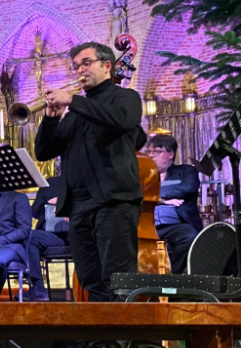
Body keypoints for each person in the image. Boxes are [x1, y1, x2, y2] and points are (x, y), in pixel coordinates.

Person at [35, 41, 146, 303]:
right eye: (75, 67)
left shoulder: (125, 97)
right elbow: (43, 152)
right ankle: (101, 344)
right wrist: (50, 119)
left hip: (114, 201)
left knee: (118, 280)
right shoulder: (73, 112)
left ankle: (121, 342)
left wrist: (72, 101)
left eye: (86, 63)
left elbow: (121, 120)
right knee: (90, 280)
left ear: (107, 66)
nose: (80, 70)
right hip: (79, 206)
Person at [145, 133, 202, 273]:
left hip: (176, 225)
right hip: (147, 225)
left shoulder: (186, 171)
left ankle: (169, 277)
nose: (151, 156)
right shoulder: (143, 175)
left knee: (189, 238)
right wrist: (163, 200)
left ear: (170, 154)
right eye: (149, 152)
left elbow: (188, 187)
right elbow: (136, 195)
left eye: (157, 152)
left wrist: (153, 194)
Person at [25, 176, 67, 301]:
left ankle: (38, 288)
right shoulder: (50, 183)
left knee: (30, 237)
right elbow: (35, 211)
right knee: (28, 236)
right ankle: (38, 288)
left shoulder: (83, 179)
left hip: (71, 234)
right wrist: (48, 202)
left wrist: (61, 203)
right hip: (48, 235)